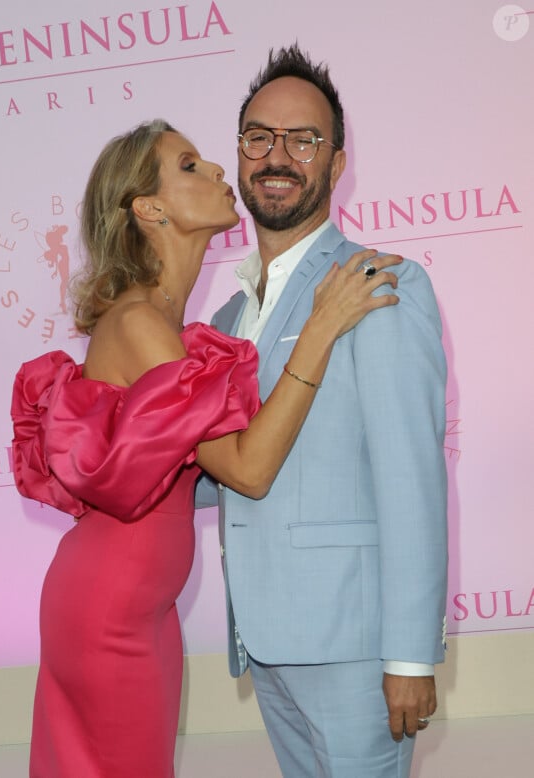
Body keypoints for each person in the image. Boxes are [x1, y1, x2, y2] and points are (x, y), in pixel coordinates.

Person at [10, 119, 401, 777]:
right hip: (109, 614)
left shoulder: (167, 326)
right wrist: (322, 327)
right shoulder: (138, 322)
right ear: (150, 208)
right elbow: (247, 469)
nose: (220, 170)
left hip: (137, 610)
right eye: (190, 165)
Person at [198, 44, 448, 778]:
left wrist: (408, 653)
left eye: (303, 139)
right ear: (239, 155)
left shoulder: (378, 282)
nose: (278, 156)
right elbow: (233, 471)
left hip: (355, 647)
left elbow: (412, 478)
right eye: (258, 137)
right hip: (267, 644)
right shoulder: (224, 314)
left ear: (336, 165)